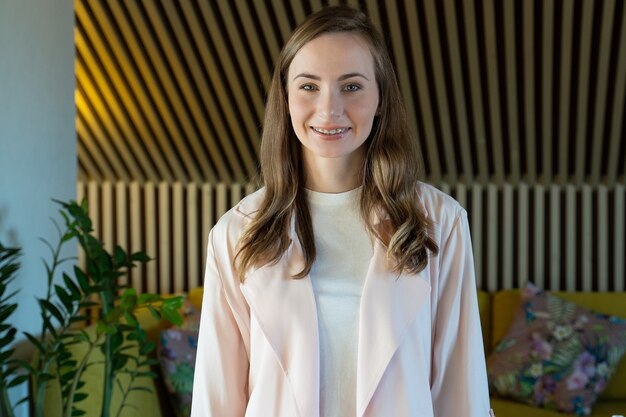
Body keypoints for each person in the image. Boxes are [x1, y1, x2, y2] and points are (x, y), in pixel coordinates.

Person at [191, 5, 492, 417]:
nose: (329, 110)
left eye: (351, 86)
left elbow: (462, 392)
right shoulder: (236, 231)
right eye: (309, 86)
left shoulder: (441, 221)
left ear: (381, 99)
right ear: (285, 98)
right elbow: (216, 400)